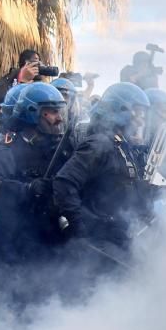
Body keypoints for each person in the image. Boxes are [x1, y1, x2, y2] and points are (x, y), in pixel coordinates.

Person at [53, 83, 156, 259]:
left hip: (118, 235)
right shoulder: (100, 145)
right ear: (121, 110)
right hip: (99, 242)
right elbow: (64, 182)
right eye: (137, 113)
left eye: (143, 114)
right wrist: (80, 228)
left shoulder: (123, 145)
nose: (141, 120)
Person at [0, 83, 72, 267]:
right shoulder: (8, 152)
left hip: (53, 239)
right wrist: (27, 189)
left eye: (60, 112)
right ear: (33, 112)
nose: (59, 119)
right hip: (19, 241)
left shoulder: (60, 151)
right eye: (53, 112)